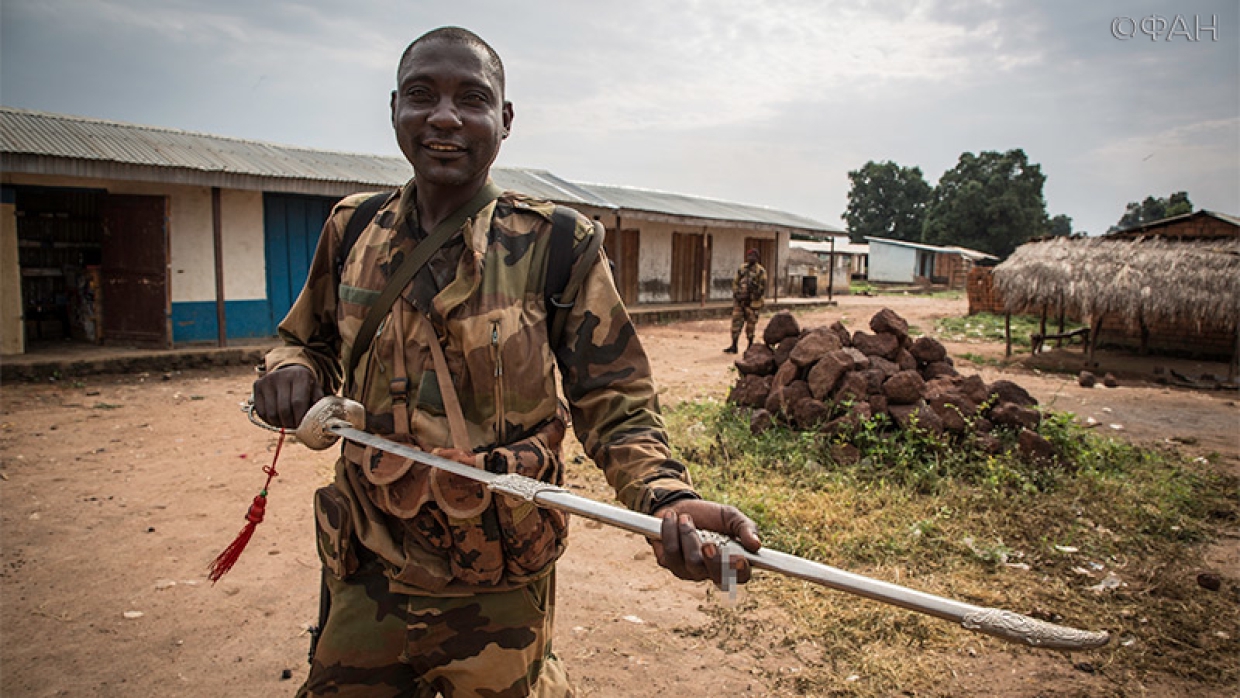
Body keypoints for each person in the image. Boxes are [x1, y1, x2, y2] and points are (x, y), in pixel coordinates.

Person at [252, 26, 761, 698]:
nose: (444, 117)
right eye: (421, 95)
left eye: (472, 98)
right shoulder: (353, 229)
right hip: (366, 565)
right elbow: (303, 341)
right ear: (395, 109)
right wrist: (288, 372)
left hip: (497, 579)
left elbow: (616, 402)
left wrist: (667, 498)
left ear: (506, 118)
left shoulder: (557, 244)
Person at [724, 249, 767, 353]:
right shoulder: (742, 269)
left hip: (752, 304)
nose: (751, 258)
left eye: (754, 256)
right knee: (735, 324)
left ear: (757, 258)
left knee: (750, 327)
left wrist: (752, 292)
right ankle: (734, 345)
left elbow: (762, 289)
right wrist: (737, 294)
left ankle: (750, 346)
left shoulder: (761, 271)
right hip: (740, 303)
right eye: (749, 256)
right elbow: (735, 282)